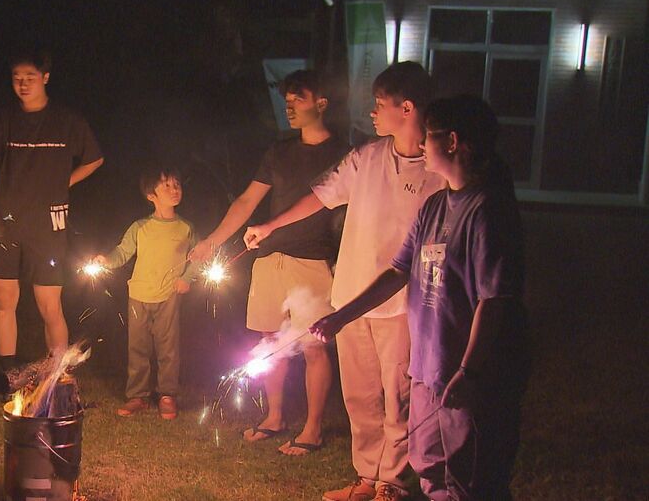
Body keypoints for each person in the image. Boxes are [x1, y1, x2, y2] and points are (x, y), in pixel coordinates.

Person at [310, 95, 530, 500]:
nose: (422, 146)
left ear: (452, 142)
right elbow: (398, 271)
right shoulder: (433, 206)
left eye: (428, 138)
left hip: (470, 377)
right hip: (429, 371)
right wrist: (341, 316)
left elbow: (494, 300)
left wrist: (470, 370)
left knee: (473, 479)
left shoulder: (487, 211)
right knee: (431, 468)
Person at [245, 62, 446, 500]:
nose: (372, 113)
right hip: (351, 298)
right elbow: (319, 195)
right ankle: (366, 477)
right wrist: (271, 226)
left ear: (406, 108)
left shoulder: (436, 171)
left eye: (380, 104)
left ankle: (391, 484)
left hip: (401, 306)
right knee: (360, 396)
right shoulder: (368, 157)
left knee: (398, 398)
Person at [190, 69, 345, 456]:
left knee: (312, 345)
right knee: (270, 342)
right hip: (269, 258)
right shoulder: (279, 152)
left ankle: (313, 428)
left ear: (321, 103)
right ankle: (274, 417)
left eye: (298, 99)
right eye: (286, 100)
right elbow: (246, 201)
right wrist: (213, 240)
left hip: (313, 259)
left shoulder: (344, 154)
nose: (289, 107)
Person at [0, 47, 103, 395]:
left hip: (48, 225)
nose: (23, 84)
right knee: (4, 299)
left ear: (45, 77)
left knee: (49, 303)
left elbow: (94, 159)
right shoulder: (1, 120)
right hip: (3, 220)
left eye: (30, 77)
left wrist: (64, 183)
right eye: (17, 78)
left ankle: (58, 374)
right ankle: (9, 374)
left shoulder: (68, 122)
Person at [93, 168, 198, 420]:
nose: (174, 190)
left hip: (169, 296)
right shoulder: (140, 227)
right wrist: (106, 260)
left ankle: (167, 395)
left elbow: (196, 258)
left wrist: (186, 278)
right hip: (139, 294)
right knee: (137, 348)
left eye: (177, 185)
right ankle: (137, 396)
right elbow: (123, 252)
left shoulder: (185, 228)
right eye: (167, 186)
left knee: (168, 348)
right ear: (151, 195)